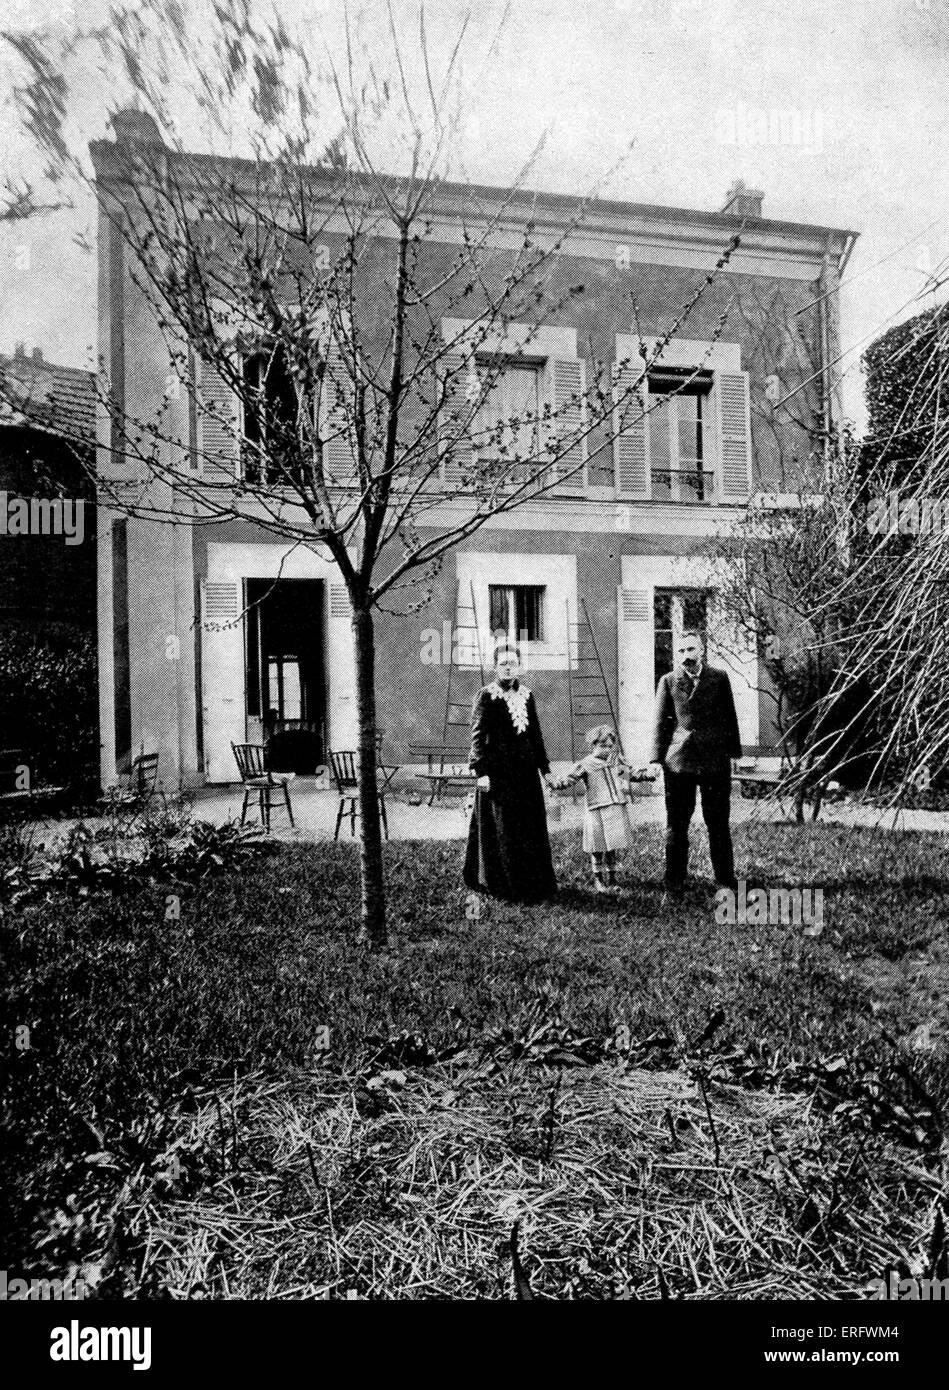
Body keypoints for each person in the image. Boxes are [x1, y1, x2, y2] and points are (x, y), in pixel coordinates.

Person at [463, 642, 557, 902]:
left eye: (512, 663)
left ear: (520, 667)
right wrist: (480, 771)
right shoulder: (486, 695)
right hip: (498, 774)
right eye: (503, 663)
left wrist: (545, 770)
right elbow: (478, 736)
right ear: (495, 666)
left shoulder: (527, 694)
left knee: (529, 826)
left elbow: (535, 735)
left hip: (526, 773)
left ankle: (533, 884)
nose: (508, 667)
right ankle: (504, 885)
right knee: (504, 827)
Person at [650, 630, 741, 895]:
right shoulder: (668, 681)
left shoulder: (719, 678)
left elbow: (729, 717)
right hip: (680, 762)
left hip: (715, 760)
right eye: (681, 651)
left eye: (691, 650)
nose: (687, 656)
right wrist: (657, 760)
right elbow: (660, 722)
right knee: (677, 822)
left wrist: (732, 754)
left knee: (718, 822)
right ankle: (674, 880)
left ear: (701, 651)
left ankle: (725, 880)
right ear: (675, 654)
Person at [555, 724, 634, 892]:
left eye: (610, 746)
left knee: (613, 843)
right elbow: (570, 779)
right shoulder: (586, 764)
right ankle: (598, 879)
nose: (607, 749)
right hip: (596, 808)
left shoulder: (616, 761)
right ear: (593, 745)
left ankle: (612, 878)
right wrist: (557, 784)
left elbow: (630, 775)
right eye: (602, 746)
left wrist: (648, 775)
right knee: (597, 846)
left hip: (615, 806)